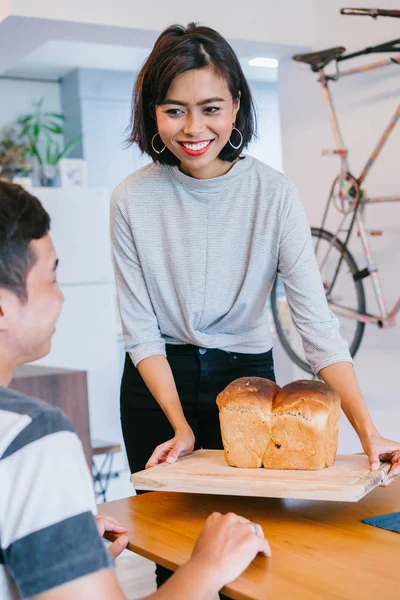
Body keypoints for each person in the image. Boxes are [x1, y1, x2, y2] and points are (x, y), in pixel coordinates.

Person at [111, 23, 400, 484]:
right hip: (158, 383)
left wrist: (369, 432)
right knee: (169, 542)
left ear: (236, 106)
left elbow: (316, 327)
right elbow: (141, 331)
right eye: (174, 110)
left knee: (248, 535)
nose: (193, 128)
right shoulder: (131, 198)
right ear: (153, 113)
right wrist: (179, 425)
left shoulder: (275, 195)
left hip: (247, 381)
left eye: (211, 109)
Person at [0, 181, 270, 600]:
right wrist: (207, 565)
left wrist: (54, 531)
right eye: (52, 278)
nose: (61, 298)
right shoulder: (32, 439)